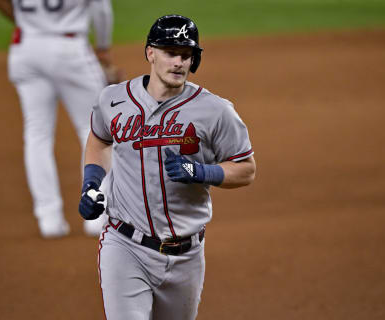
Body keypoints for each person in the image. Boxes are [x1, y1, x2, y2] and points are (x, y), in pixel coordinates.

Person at [78, 14, 256, 319]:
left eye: (186, 56)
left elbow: (246, 169)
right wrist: (91, 184)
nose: (179, 63)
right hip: (125, 246)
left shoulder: (215, 110)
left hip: (186, 256)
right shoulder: (113, 100)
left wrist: (202, 172)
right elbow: (98, 140)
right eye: (171, 53)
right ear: (150, 53)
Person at [0, 0, 124, 238]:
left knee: (37, 134)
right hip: (69, 47)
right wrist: (104, 48)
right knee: (95, 129)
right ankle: (97, 216)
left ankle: (49, 219)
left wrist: (30, 25)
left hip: (26, 47)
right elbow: (102, 8)